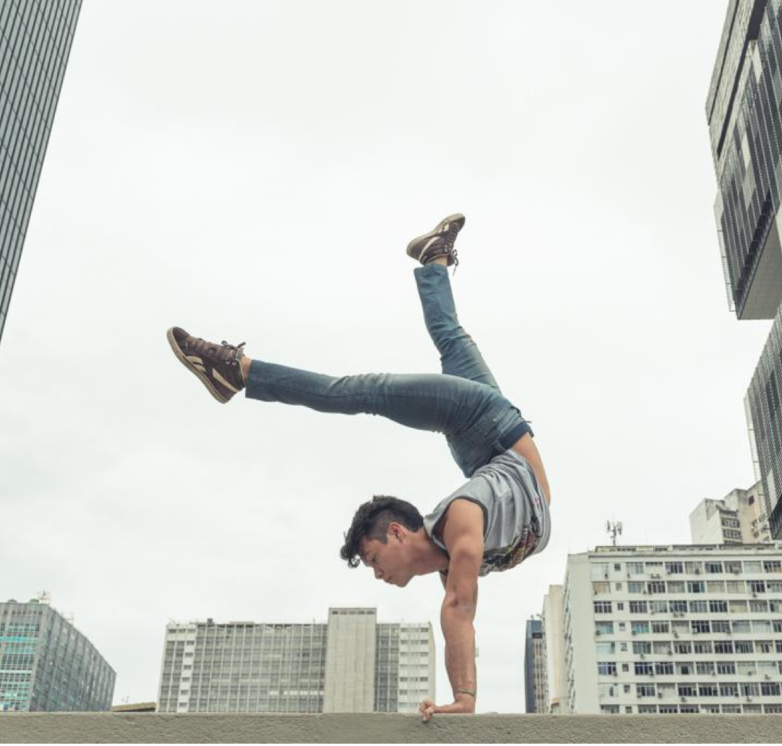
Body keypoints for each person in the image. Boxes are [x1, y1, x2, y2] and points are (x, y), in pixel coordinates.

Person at [167, 214, 551, 720]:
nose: (377, 575)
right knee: (426, 355)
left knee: (378, 383)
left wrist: (464, 700)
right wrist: (464, 701)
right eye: (374, 563)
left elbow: (457, 609)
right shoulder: (457, 536)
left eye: (371, 561)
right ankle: (431, 259)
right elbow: (459, 609)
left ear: (395, 532)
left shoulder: (460, 525)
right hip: (489, 436)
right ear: (397, 533)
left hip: (485, 424)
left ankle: (239, 372)